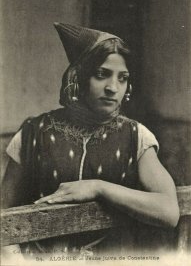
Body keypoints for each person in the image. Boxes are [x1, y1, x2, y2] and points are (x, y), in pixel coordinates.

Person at [2, 23, 179, 257]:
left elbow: (169, 211)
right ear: (79, 77)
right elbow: (3, 211)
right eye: (101, 74)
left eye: (122, 78)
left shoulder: (136, 137)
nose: (113, 88)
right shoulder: (34, 132)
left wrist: (99, 188)